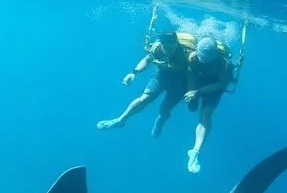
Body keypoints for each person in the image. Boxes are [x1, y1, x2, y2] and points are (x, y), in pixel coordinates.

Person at [95, 30, 190, 138]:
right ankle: (120, 120)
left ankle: (161, 120)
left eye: (171, 47)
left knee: (164, 109)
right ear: (161, 44)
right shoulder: (157, 48)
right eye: (165, 47)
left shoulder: (186, 53)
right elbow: (146, 60)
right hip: (163, 74)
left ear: (176, 43)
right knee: (143, 99)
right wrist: (134, 73)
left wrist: (193, 90)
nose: (168, 50)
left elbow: (194, 72)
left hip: (181, 81)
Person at [181, 36, 235, 174]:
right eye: (201, 57)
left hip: (216, 85)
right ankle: (194, 99)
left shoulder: (225, 65)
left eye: (207, 58)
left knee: (205, 116)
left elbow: (222, 84)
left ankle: (195, 151)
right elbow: (190, 72)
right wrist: (192, 91)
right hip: (200, 78)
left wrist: (199, 92)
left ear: (215, 54)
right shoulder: (193, 57)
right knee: (192, 106)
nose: (203, 60)